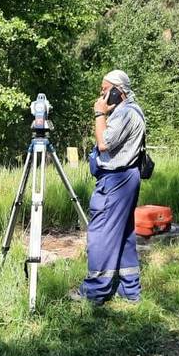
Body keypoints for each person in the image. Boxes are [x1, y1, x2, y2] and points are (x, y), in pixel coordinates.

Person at [72, 70, 146, 305]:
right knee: (123, 234)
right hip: (125, 178)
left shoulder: (125, 114)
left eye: (104, 91)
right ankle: (129, 290)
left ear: (118, 91)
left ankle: (95, 291)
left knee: (101, 234)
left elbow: (103, 144)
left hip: (115, 180)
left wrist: (98, 114)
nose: (101, 95)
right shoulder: (130, 111)